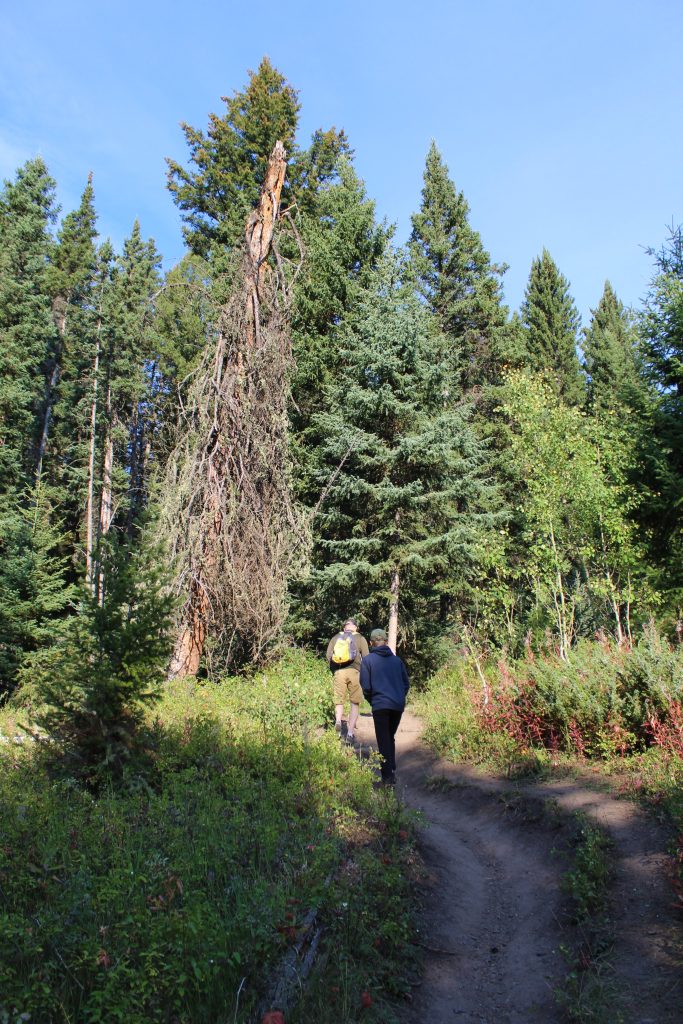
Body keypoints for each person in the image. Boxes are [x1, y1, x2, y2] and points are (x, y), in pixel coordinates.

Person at [360, 628, 410, 785]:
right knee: (389, 736)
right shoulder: (397, 661)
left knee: (383, 740)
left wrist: (373, 700)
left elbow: (366, 686)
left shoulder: (367, 661)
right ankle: (392, 768)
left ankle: (388, 779)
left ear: (371, 643)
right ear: (386, 642)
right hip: (397, 705)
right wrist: (399, 698)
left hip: (380, 705)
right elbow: (406, 684)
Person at [326, 618, 369, 744]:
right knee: (354, 703)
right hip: (355, 673)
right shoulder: (360, 638)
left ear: (344, 627)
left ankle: (338, 723)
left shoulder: (336, 637)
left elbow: (328, 655)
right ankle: (350, 733)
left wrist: (335, 670)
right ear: (355, 627)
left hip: (339, 672)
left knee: (339, 701)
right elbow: (366, 658)